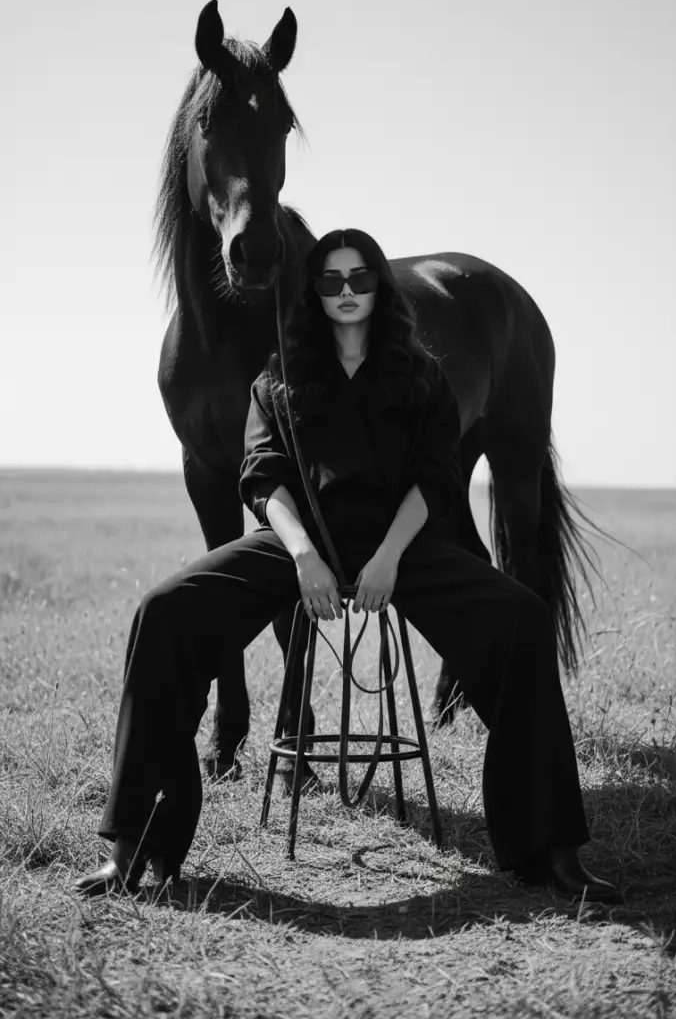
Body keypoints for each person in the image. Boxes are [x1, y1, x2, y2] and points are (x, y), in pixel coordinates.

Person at [76, 229, 618, 901]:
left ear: (379, 285)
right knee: (163, 613)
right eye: (330, 281)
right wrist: (302, 555)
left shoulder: (418, 371)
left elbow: (435, 474)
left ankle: (550, 852)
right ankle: (135, 848)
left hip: (403, 547)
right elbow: (262, 476)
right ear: (314, 291)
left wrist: (390, 557)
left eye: (359, 278)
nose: (345, 292)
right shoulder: (282, 371)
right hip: (300, 546)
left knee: (524, 618)